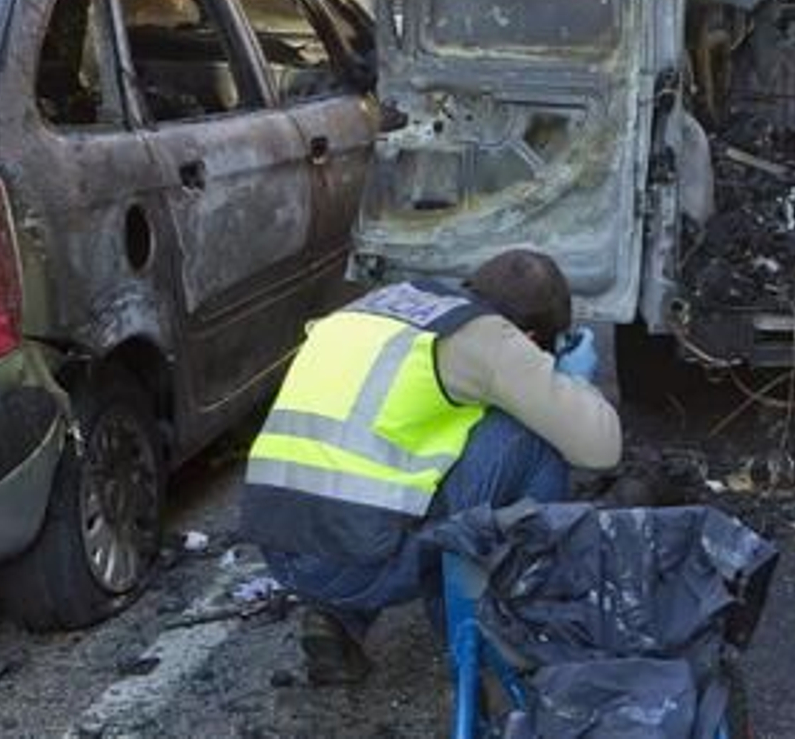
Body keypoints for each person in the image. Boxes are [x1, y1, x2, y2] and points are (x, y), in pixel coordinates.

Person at [240, 250, 622, 685]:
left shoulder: (379, 305)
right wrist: (574, 383)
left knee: (400, 463)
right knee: (534, 440)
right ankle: (507, 620)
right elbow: (600, 448)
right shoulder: (490, 337)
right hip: (356, 563)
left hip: (278, 547)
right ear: (531, 338)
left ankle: (336, 618)